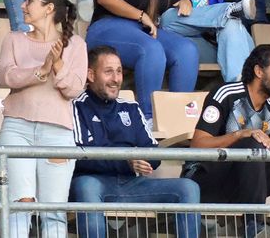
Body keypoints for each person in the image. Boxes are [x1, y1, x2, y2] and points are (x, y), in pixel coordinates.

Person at [72, 45, 202, 238]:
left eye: (119, 72)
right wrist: (127, 161)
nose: (116, 79)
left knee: (188, 187)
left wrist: (143, 161)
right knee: (86, 186)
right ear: (90, 75)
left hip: (134, 183)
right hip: (94, 182)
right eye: (108, 72)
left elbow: (152, 151)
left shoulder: (131, 108)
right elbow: (82, 155)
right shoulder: (76, 105)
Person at [186, 45, 270, 237]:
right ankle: (255, 227)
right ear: (259, 71)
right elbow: (197, 145)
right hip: (203, 182)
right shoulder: (226, 93)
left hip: (240, 185)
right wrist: (239, 135)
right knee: (252, 145)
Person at [0, 0, 87, 238]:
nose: (23, 5)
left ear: (49, 8)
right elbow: (6, 76)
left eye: (30, 1)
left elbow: (75, 89)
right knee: (18, 205)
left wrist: (58, 65)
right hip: (17, 128)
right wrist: (41, 70)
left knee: (53, 210)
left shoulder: (76, 45)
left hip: (58, 132)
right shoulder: (13, 39)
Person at [85, 0, 199, 119]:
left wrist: (186, 0)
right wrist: (140, 15)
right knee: (151, 49)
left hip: (142, 30)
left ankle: (179, 120)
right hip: (107, 27)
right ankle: (148, 119)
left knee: (187, 50)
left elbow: (173, 2)